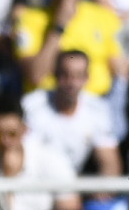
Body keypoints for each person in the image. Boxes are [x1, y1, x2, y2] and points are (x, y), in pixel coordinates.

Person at [15, 0, 122, 96]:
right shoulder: (28, 20)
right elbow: (35, 75)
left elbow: (120, 68)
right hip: (47, 98)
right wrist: (58, 26)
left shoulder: (105, 17)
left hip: (96, 99)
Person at [0, 95, 82, 210]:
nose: (5, 141)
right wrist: (7, 178)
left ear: (24, 130)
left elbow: (69, 209)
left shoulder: (52, 159)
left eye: (12, 134)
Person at [21, 50, 123, 181]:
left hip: (74, 185)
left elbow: (109, 163)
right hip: (36, 182)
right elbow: (25, 158)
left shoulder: (98, 110)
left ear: (87, 78)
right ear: (55, 75)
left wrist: (103, 189)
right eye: (65, 74)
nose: (71, 82)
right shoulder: (32, 106)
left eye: (78, 75)